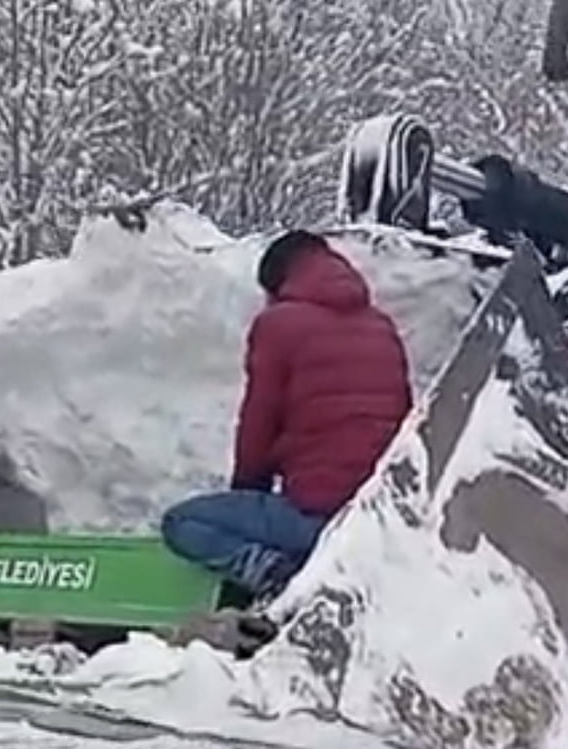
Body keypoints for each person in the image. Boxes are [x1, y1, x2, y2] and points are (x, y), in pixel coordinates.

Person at [161, 229, 413, 604]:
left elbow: (259, 424)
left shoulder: (279, 325)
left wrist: (248, 489)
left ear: (277, 283)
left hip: (318, 516)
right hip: (375, 519)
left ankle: (278, 577)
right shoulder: (382, 327)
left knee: (183, 522)